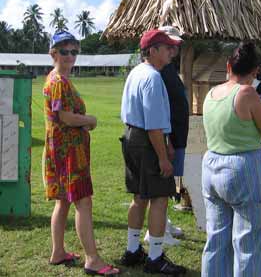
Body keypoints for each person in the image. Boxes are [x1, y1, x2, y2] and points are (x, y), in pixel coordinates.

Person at [43, 30, 119, 275]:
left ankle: (58, 252)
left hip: (64, 150)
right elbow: (64, 117)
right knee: (83, 202)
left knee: (64, 201)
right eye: (64, 51)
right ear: (53, 53)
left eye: (74, 51)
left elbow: (62, 117)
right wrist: (90, 119)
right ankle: (92, 259)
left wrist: (82, 122)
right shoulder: (58, 82)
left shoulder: (58, 79)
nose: (70, 56)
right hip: (68, 154)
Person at [201, 42, 261, 277]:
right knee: (248, 243)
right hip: (241, 168)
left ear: (228, 66)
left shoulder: (212, 93)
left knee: (216, 239)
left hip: (212, 165)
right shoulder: (247, 93)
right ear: (255, 71)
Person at [119, 29, 186, 276]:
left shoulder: (136, 72)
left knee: (139, 196)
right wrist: (162, 157)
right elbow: (154, 125)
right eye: (167, 47)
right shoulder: (154, 78)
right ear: (153, 50)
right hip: (147, 141)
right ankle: (156, 257)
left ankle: (133, 249)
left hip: (131, 137)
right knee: (159, 198)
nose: (171, 52)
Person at [143, 25, 187, 247]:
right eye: (169, 45)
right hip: (168, 136)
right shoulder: (159, 71)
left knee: (167, 185)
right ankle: (157, 231)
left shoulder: (167, 68)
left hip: (176, 134)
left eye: (176, 45)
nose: (173, 49)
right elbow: (159, 111)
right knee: (161, 187)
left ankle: (164, 223)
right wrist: (167, 141)